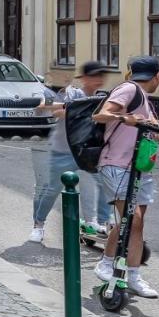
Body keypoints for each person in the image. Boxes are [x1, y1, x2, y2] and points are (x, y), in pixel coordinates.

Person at [92, 56, 159, 296]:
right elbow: (101, 115)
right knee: (134, 219)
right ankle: (106, 264)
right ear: (157, 77)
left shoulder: (144, 100)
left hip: (138, 168)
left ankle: (133, 277)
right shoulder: (129, 89)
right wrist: (125, 119)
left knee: (134, 224)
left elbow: (152, 133)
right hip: (117, 165)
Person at [29, 60, 113, 244]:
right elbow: (49, 106)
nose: (99, 80)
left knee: (105, 183)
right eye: (94, 76)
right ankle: (38, 224)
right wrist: (63, 108)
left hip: (87, 151)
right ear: (83, 78)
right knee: (52, 189)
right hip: (63, 151)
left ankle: (102, 222)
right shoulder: (71, 93)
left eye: (101, 76)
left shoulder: (102, 98)